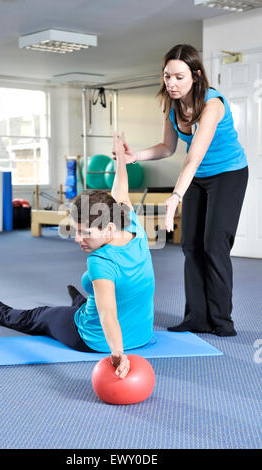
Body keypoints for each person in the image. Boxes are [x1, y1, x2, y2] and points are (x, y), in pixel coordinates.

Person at [0, 134, 155, 378]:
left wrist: (118, 353)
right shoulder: (132, 224)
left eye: (86, 232)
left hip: (96, 340)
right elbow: (120, 188)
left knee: (43, 315)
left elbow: (108, 313)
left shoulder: (100, 262)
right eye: (75, 231)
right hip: (142, 335)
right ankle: (79, 302)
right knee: (94, 298)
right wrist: (121, 160)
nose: (77, 239)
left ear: (109, 229)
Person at [114, 44, 248, 336]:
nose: (171, 84)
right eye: (166, 76)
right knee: (190, 246)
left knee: (214, 244)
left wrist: (175, 197)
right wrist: (135, 155)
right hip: (198, 177)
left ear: (196, 76)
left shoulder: (213, 104)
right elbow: (167, 147)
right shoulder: (171, 104)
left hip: (228, 173)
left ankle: (222, 320)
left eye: (178, 77)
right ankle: (197, 317)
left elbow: (193, 156)